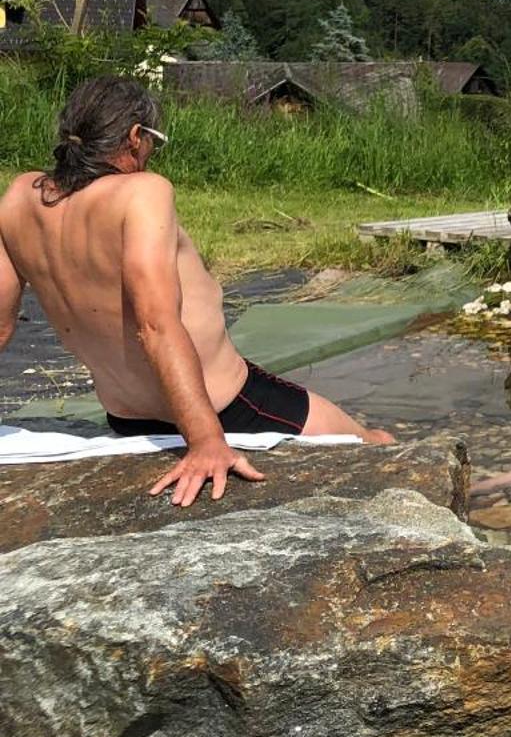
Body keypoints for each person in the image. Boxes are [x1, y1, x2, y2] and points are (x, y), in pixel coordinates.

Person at [0, 76, 393, 506]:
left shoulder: (21, 196)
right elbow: (155, 324)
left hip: (126, 418)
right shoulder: (142, 192)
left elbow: (0, 328)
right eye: (153, 141)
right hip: (225, 406)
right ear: (135, 138)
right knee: (372, 443)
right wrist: (206, 440)